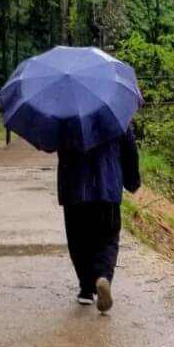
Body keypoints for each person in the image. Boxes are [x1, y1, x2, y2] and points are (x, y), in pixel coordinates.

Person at [56, 125, 140, 313]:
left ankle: (86, 290)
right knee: (108, 239)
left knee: (78, 240)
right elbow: (129, 149)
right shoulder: (114, 115)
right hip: (106, 187)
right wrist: (132, 181)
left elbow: (50, 145)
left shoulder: (65, 116)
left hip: (74, 189)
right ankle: (103, 277)